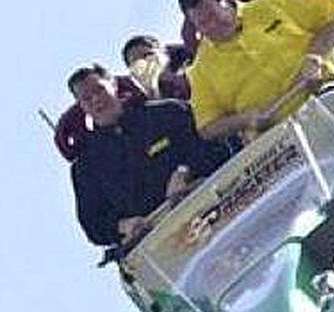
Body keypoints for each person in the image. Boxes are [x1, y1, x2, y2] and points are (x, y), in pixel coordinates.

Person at [66, 63, 234, 246]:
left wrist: (185, 171)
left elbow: (214, 143)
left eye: (99, 90)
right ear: (81, 106)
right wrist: (124, 225)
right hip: (162, 242)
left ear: (113, 85)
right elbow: (94, 224)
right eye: (86, 98)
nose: (96, 100)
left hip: (217, 203)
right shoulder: (86, 166)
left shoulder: (167, 113)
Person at [178, 0, 334, 140]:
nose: (212, 26)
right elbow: (207, 127)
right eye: (203, 23)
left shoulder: (276, 1)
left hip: (327, 97)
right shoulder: (200, 70)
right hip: (278, 138)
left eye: (213, 15)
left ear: (226, 0)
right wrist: (244, 119)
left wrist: (314, 57)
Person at [121, 34, 192, 100]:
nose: (146, 62)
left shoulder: (190, 59)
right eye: (136, 62)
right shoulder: (134, 98)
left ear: (163, 52)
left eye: (148, 54)